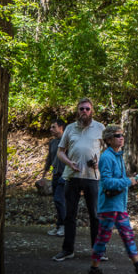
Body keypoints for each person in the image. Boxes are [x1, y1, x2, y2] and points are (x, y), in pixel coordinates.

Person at [87, 124, 138, 274]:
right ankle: (94, 272)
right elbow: (106, 183)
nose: (121, 137)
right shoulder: (107, 157)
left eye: (122, 135)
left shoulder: (118, 155)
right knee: (102, 239)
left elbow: (117, 179)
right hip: (109, 206)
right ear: (109, 139)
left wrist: (128, 180)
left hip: (118, 206)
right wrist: (128, 181)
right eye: (118, 135)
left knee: (128, 236)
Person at [52, 97, 104, 262]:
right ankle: (68, 250)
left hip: (92, 177)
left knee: (95, 215)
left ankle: (98, 251)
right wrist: (69, 162)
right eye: (81, 109)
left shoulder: (100, 128)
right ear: (77, 110)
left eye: (87, 109)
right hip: (72, 176)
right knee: (69, 215)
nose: (84, 112)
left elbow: (107, 152)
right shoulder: (69, 128)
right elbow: (60, 152)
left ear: (92, 111)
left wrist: (98, 162)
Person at [42, 118, 66, 236]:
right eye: (51, 127)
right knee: (57, 202)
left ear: (61, 128)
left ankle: (64, 226)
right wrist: (44, 175)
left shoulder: (67, 141)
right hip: (55, 174)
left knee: (59, 199)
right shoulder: (52, 142)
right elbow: (49, 159)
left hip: (65, 175)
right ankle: (59, 225)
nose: (51, 129)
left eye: (53, 127)